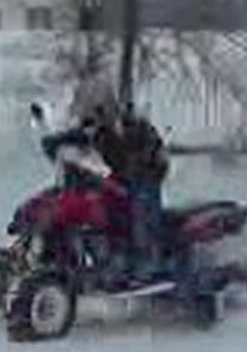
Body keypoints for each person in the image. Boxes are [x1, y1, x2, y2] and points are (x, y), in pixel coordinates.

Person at [42, 79, 169, 284]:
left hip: (146, 176)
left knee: (138, 204)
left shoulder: (132, 125)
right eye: (90, 111)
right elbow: (81, 137)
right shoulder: (99, 130)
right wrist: (56, 141)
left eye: (98, 109)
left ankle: (148, 263)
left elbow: (152, 152)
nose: (94, 118)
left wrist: (138, 164)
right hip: (121, 177)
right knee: (96, 202)